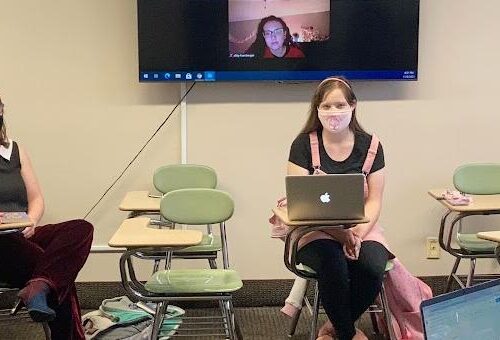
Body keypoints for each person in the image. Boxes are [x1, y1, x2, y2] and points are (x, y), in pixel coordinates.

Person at [287, 77, 393, 340]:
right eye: (327, 106)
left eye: (340, 105)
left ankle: (333, 328)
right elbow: (302, 204)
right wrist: (342, 235)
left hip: (361, 227)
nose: (333, 112)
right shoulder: (302, 144)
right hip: (314, 229)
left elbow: (375, 200)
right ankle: (347, 333)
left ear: (353, 105)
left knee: (372, 267)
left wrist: (356, 233)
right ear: (317, 109)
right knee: (333, 264)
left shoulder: (371, 145)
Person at [0, 96, 94, 340]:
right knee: (55, 270)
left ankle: (38, 287)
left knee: (81, 228)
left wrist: (30, 221)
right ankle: (40, 288)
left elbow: (36, 199)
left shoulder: (15, 150)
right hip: (2, 243)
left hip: (21, 233)